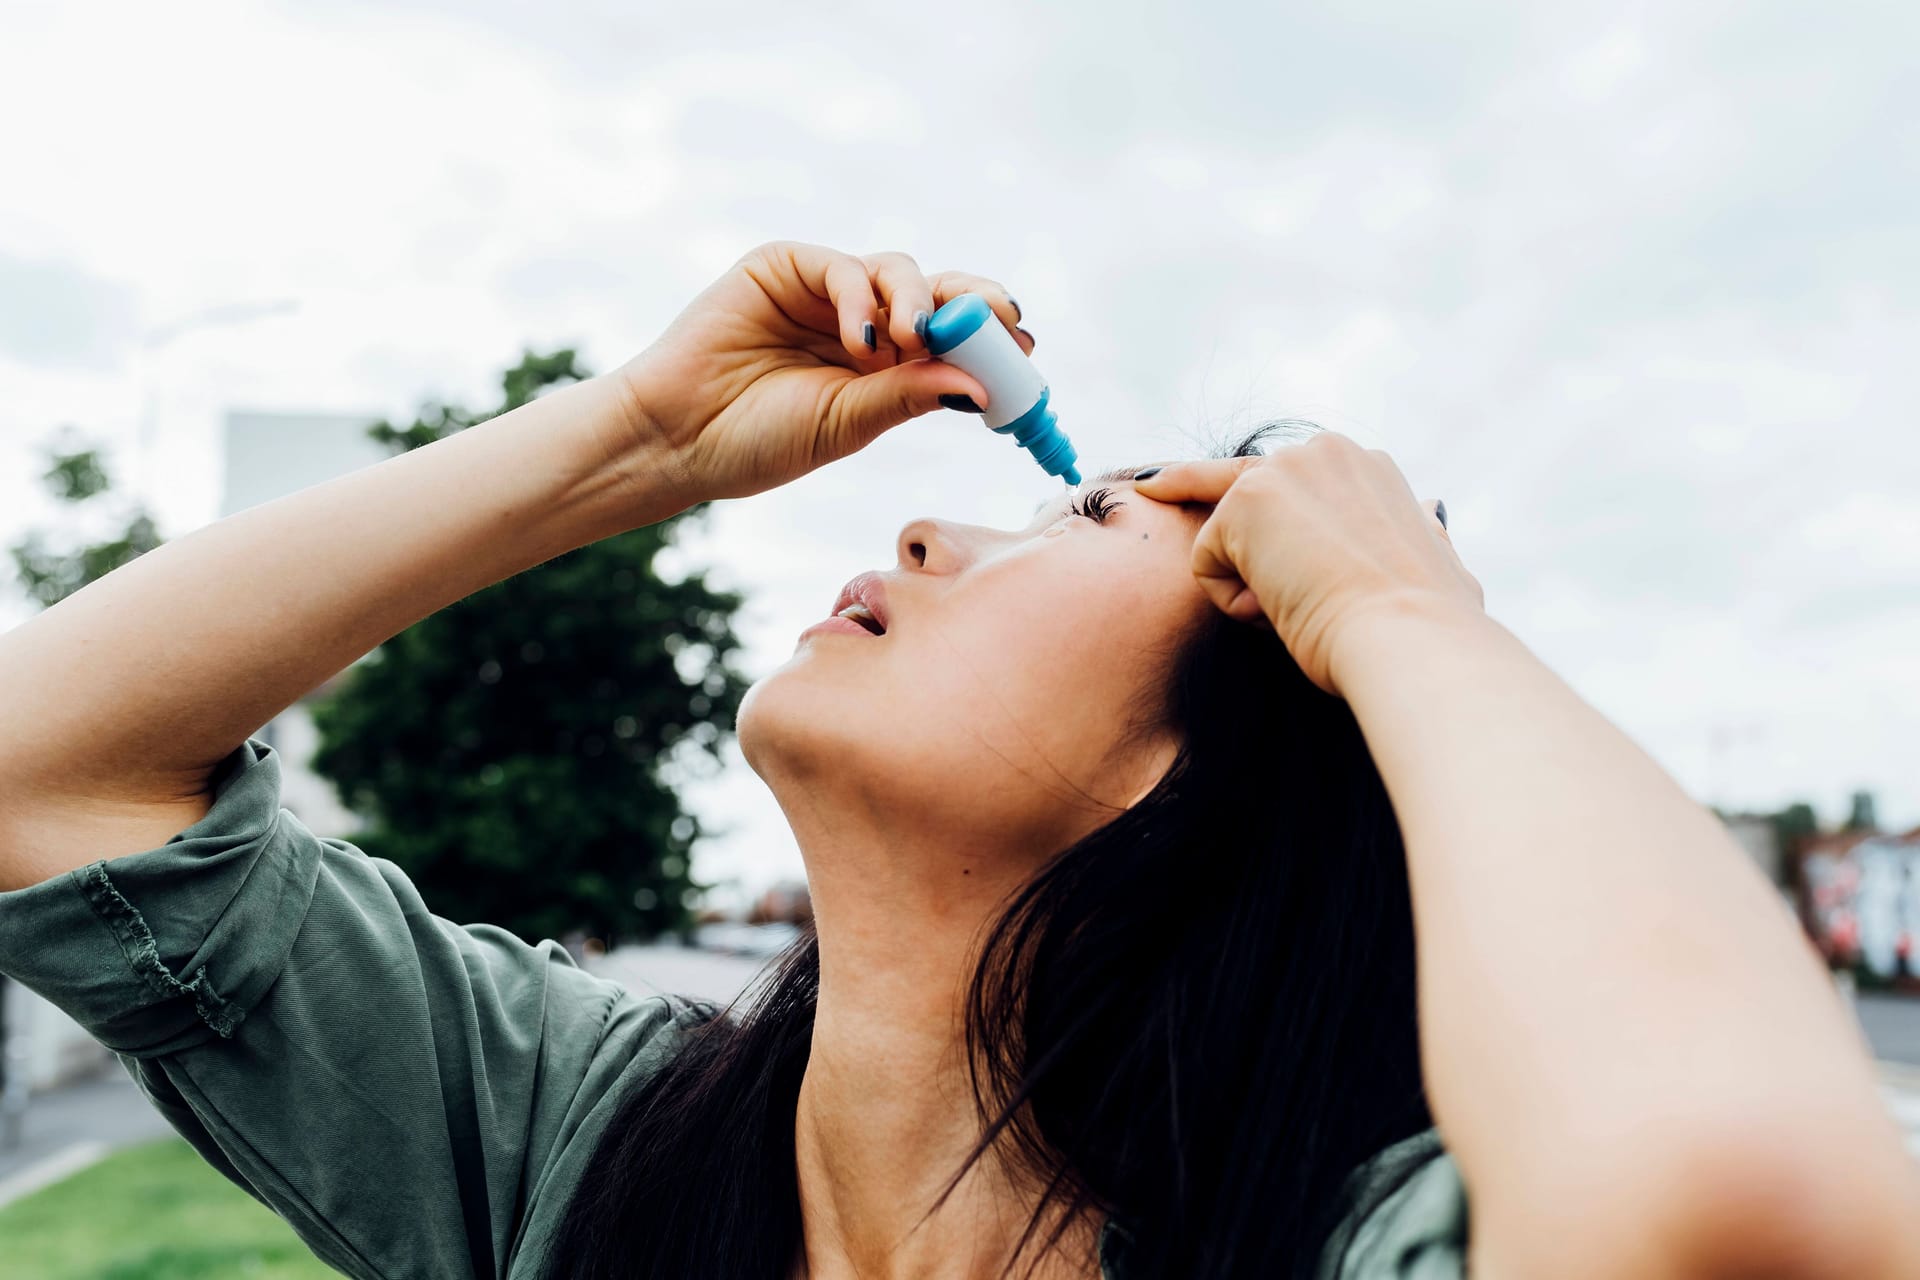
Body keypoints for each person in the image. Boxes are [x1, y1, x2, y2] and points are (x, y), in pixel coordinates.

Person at [0, 241, 1914, 1280]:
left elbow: (1740, 1213)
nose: (925, 531)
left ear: (1212, 782)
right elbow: (50, 775)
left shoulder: (1345, 1248)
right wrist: (646, 439)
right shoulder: (586, 1152)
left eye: (1082, 524)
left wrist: (1405, 619)